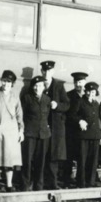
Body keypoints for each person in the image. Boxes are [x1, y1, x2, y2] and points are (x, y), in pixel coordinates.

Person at [40, 60, 70, 190]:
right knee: (41, 154)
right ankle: (40, 183)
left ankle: (52, 183)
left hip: (55, 127)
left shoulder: (59, 85)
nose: (47, 73)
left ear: (53, 71)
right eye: (44, 71)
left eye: (49, 71)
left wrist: (57, 105)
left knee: (53, 156)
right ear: (42, 71)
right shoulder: (38, 84)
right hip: (41, 126)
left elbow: (67, 105)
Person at [21, 76, 51, 191]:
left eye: (40, 86)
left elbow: (47, 115)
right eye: (35, 85)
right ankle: (25, 185)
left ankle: (39, 186)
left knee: (41, 161)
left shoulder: (47, 99)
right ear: (32, 87)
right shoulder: (26, 98)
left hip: (43, 135)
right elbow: (22, 116)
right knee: (27, 161)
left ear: (43, 87)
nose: (37, 88)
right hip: (29, 134)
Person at [70, 81, 101, 188]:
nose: (90, 94)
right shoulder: (80, 102)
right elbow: (72, 115)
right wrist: (79, 121)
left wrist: (100, 134)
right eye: (88, 91)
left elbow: (99, 120)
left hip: (95, 136)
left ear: (95, 93)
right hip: (83, 136)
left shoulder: (96, 104)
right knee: (82, 160)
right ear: (86, 92)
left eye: (93, 92)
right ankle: (81, 183)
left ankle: (91, 182)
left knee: (93, 161)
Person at [63, 72, 88, 187]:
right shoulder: (68, 96)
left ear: (85, 83)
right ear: (74, 83)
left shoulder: (88, 95)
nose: (79, 85)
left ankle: (81, 180)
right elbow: (67, 113)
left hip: (85, 132)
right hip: (71, 131)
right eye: (77, 82)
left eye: (81, 82)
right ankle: (67, 180)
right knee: (69, 156)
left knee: (82, 157)